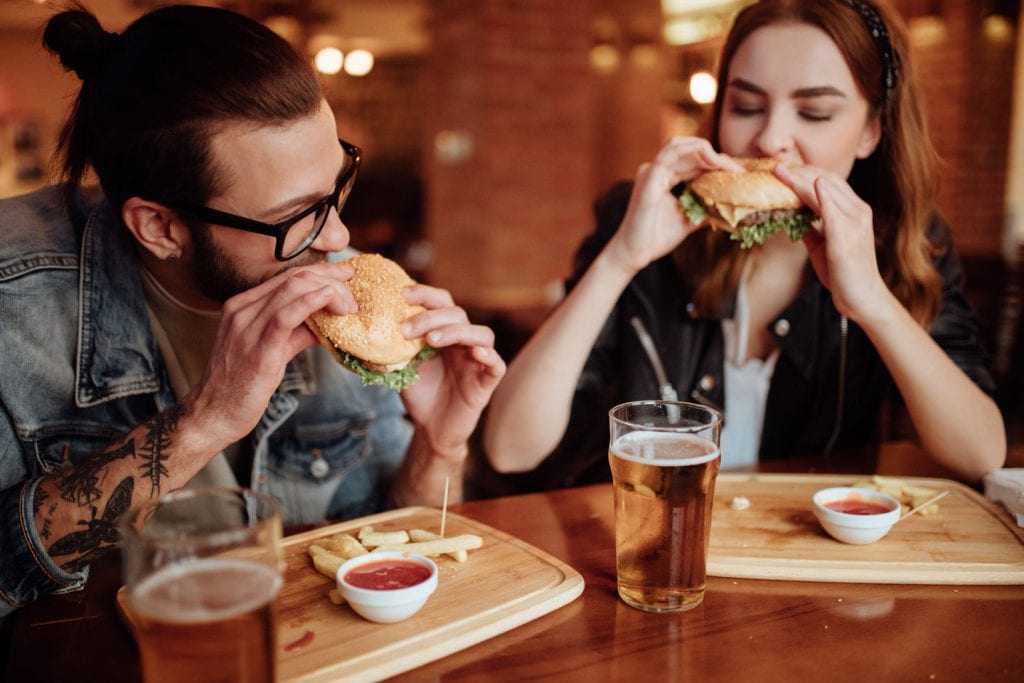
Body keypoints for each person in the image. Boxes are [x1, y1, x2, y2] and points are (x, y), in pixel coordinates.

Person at [0, 5, 504, 618]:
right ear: (159, 226)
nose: (338, 236)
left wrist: (439, 445)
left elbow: (386, 538)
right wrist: (203, 423)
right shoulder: (15, 302)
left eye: (336, 186)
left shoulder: (348, 297)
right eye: (295, 216)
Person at [484, 0, 1005, 489]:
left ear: (872, 131)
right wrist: (622, 257)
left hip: (807, 563)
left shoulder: (905, 240)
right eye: (747, 105)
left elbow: (980, 454)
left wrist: (871, 301)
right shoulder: (643, 215)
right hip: (645, 552)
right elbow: (510, 447)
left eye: (815, 113)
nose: (770, 138)